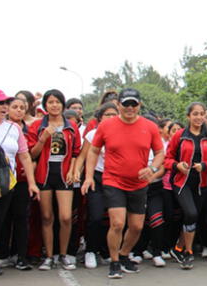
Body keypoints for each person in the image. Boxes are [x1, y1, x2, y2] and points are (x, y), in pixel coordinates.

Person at [82, 88, 165, 279]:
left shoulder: (149, 127)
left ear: (139, 106)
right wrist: (88, 176)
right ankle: (114, 261)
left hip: (139, 183)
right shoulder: (106, 126)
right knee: (118, 223)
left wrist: (152, 169)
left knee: (136, 226)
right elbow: (93, 151)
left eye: (133, 104)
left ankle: (124, 254)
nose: (129, 108)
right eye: (125, 104)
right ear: (118, 105)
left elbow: (160, 153)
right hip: (114, 180)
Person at [164, 102, 207, 269]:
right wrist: (177, 165)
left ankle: (179, 248)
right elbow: (168, 158)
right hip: (183, 182)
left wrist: (205, 166)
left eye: (202, 114)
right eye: (195, 114)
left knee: (197, 216)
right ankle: (188, 252)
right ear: (188, 116)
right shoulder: (179, 135)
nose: (199, 117)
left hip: (206, 183)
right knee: (191, 213)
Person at [0, 90, 40, 280]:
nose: (5, 107)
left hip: (7, 183)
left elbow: (24, 155)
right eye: (0, 103)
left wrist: (32, 183)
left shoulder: (14, 128)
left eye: (6, 103)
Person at [27, 89, 81, 271]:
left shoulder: (71, 126)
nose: (54, 105)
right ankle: (49, 256)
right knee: (46, 216)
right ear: (45, 105)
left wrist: (73, 171)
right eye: (50, 102)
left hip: (64, 174)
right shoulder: (37, 126)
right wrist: (43, 138)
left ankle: (63, 255)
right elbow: (31, 154)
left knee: (66, 217)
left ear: (63, 105)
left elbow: (76, 152)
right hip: (44, 173)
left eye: (57, 102)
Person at [73, 103, 117, 269]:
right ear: (99, 119)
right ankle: (90, 250)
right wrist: (78, 172)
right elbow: (83, 156)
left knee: (114, 218)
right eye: (107, 115)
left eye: (114, 114)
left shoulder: (122, 133)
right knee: (96, 216)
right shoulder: (92, 134)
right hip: (96, 178)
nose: (111, 118)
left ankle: (106, 250)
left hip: (116, 179)